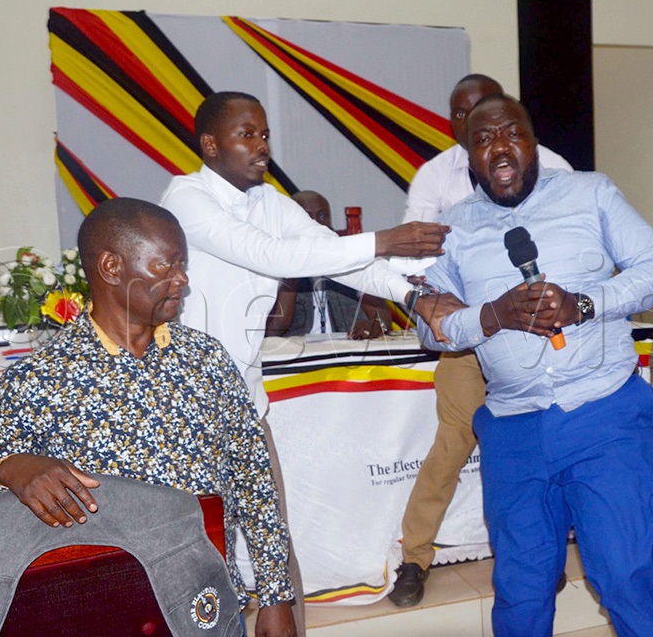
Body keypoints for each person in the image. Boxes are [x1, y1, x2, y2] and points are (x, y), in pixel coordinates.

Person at [159, 91, 448, 633]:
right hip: (184, 409)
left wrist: (409, 295)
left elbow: (329, 253)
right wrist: (387, 239)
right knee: (191, 551)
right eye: (247, 134)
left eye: (265, 134)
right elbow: (276, 257)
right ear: (210, 143)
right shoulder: (186, 198)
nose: (262, 145)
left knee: (274, 543)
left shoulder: (270, 202)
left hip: (246, 403)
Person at [0, 198, 297, 636]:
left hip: (204, 604)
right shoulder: (41, 377)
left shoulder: (206, 360)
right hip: (100, 613)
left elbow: (253, 482)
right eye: (166, 265)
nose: (182, 279)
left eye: (182, 263)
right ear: (111, 267)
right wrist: (12, 468)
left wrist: (276, 596)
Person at [414, 93, 653, 636]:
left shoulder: (591, 193)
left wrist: (584, 302)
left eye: (511, 133)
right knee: (520, 588)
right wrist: (491, 316)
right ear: (469, 157)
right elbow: (430, 327)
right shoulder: (454, 229)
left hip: (603, 416)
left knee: (627, 574)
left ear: (534, 142)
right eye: (483, 140)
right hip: (514, 431)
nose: (499, 148)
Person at [391, 74, 573, 607]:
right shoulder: (435, 176)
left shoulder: (553, 166)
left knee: (539, 449)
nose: (474, 125)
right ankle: (414, 559)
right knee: (451, 447)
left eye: (485, 113)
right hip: (470, 340)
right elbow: (414, 258)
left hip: (539, 338)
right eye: (461, 115)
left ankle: (542, 558)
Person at [265, 191, 392, 340]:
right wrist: (292, 268)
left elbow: (382, 318)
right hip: (298, 353)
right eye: (306, 217)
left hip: (347, 348)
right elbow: (274, 331)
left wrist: (373, 325)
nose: (315, 223)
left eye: (322, 215)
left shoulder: (351, 258)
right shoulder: (274, 262)